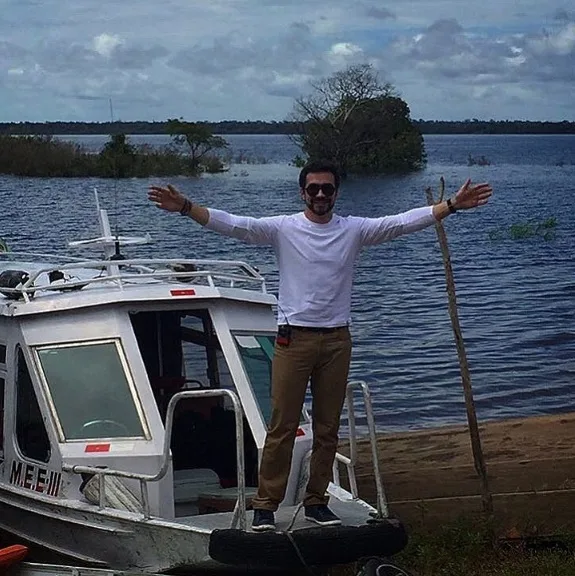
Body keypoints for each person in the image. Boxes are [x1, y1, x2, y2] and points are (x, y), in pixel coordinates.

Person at [148, 160, 492, 532]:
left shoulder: (353, 230)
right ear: (303, 193)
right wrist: (186, 207)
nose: (321, 195)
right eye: (314, 189)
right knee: (282, 426)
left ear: (335, 193)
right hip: (293, 338)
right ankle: (265, 506)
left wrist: (451, 206)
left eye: (327, 189)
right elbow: (235, 225)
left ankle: (316, 501)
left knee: (328, 429)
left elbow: (400, 223)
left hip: (336, 341)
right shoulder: (284, 229)